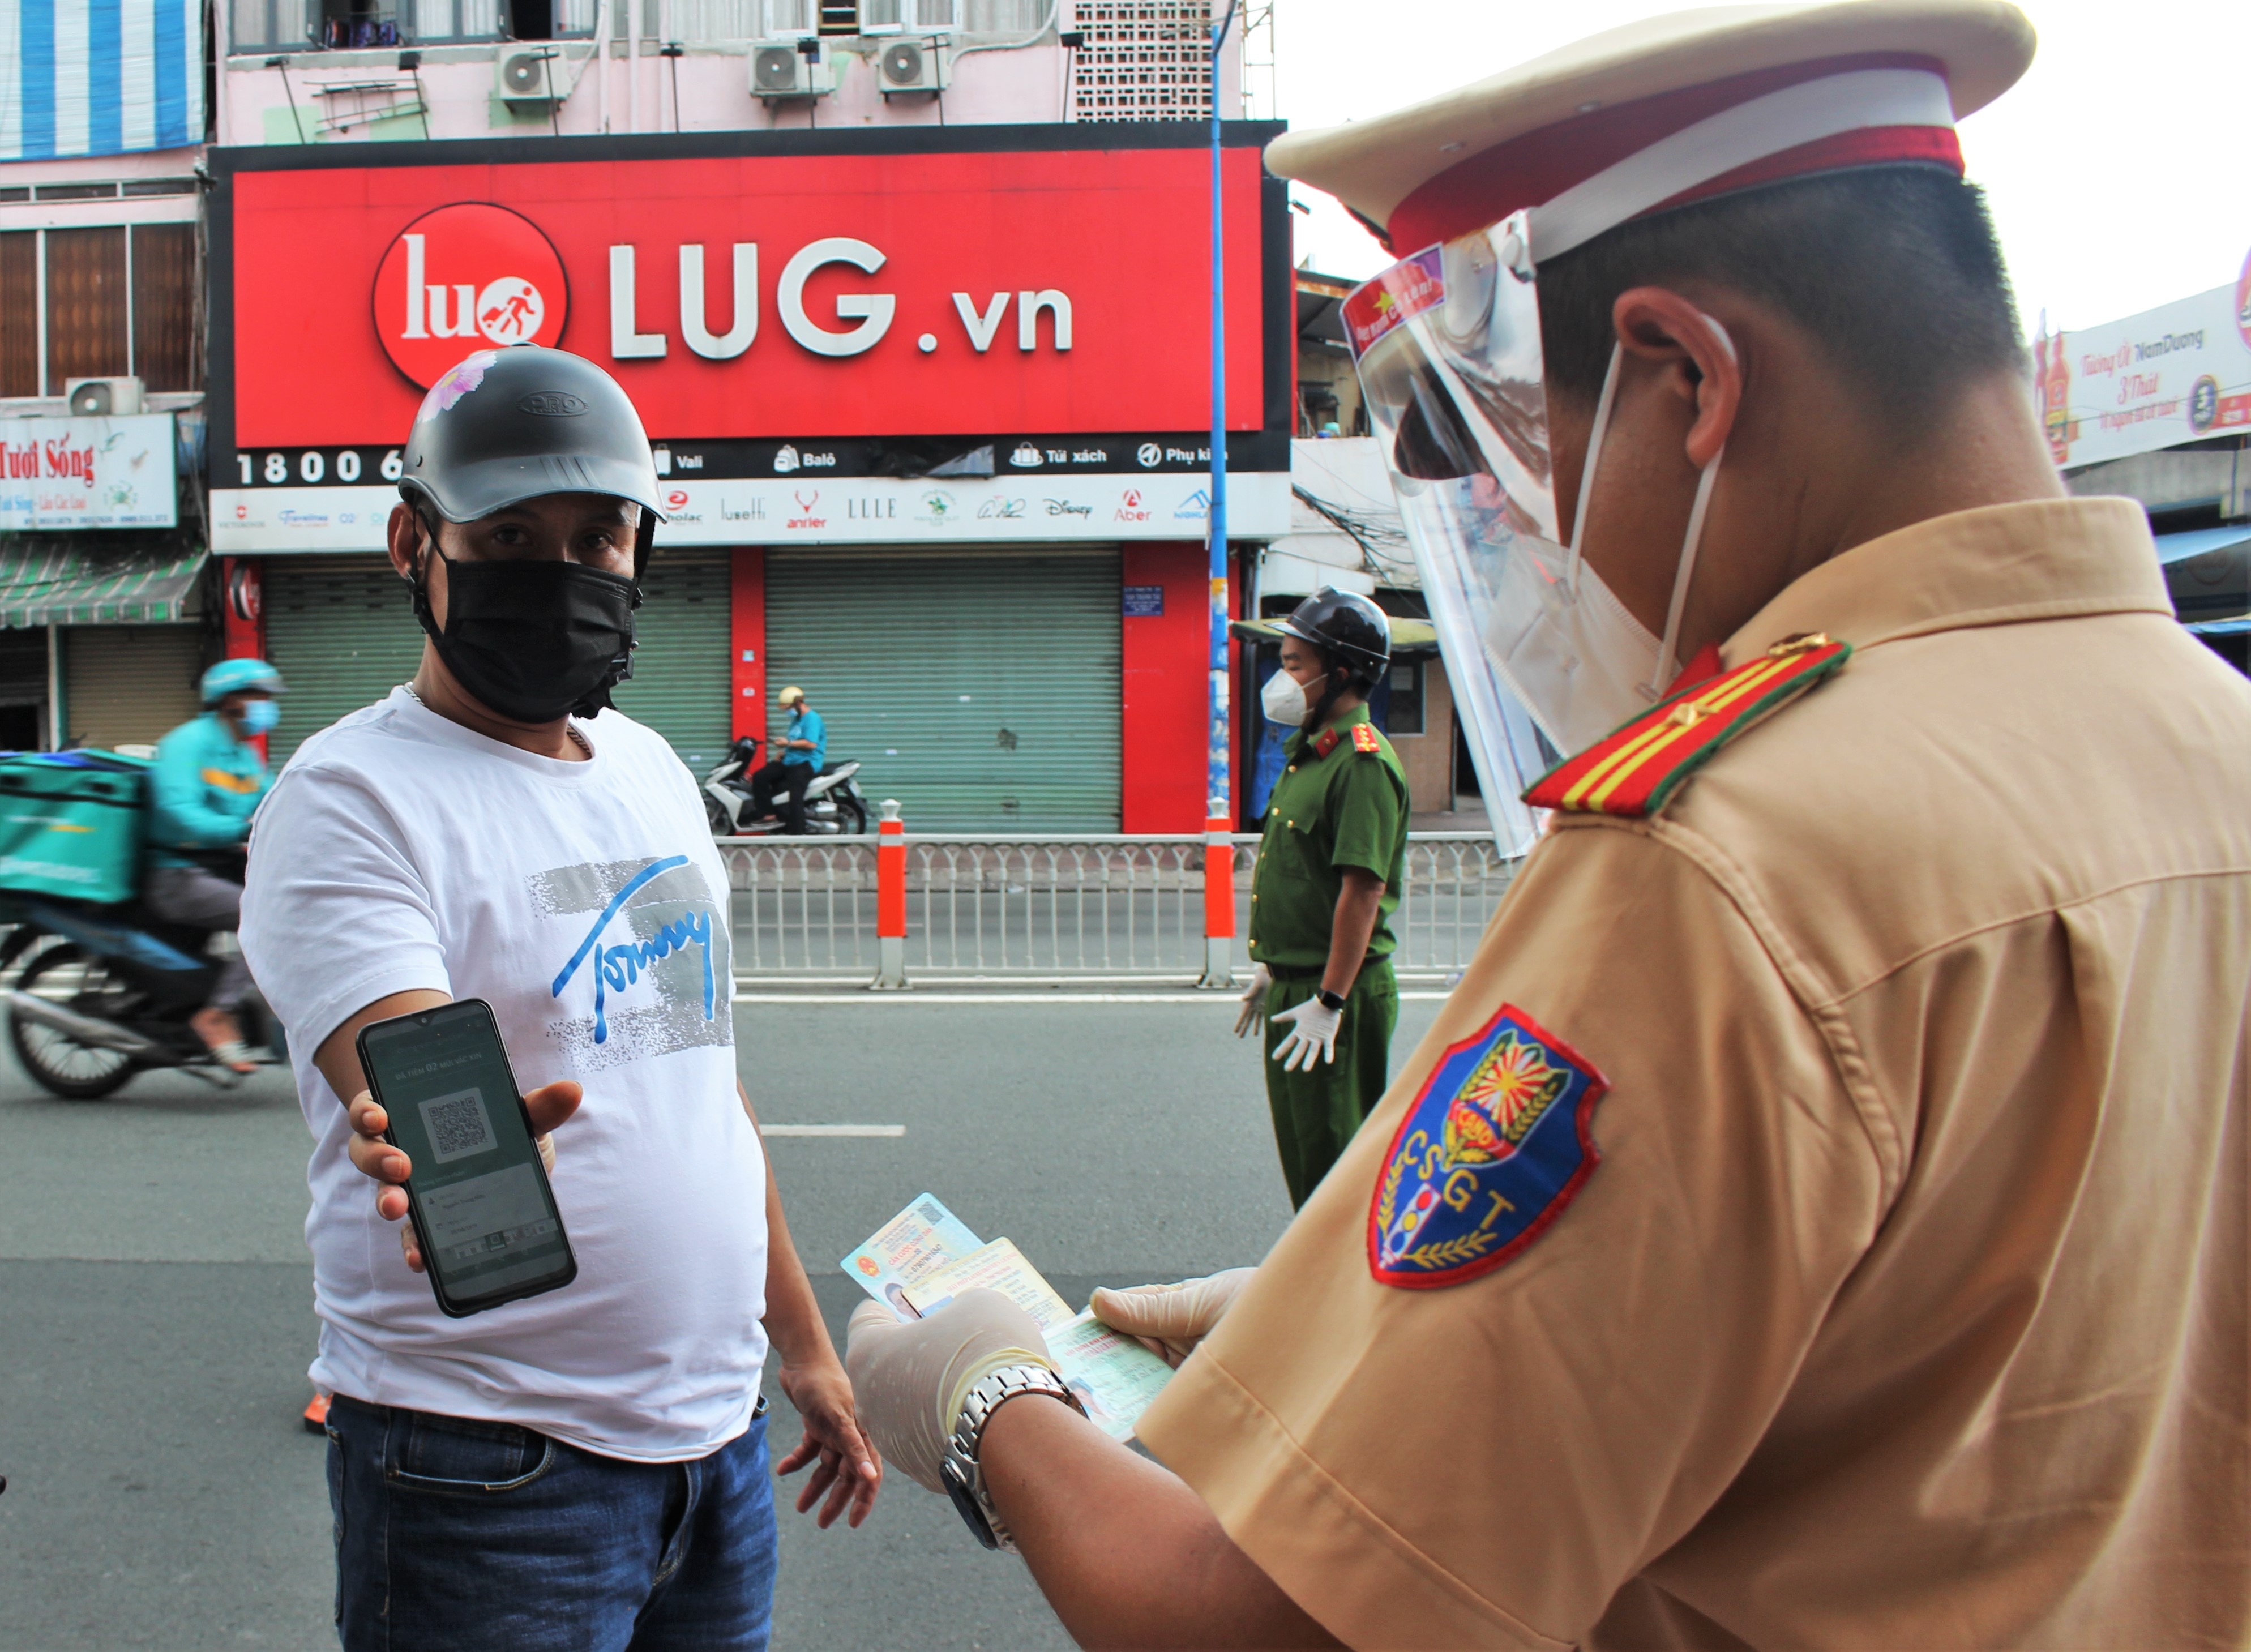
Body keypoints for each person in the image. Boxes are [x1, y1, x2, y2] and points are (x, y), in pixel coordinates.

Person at [837, 4, 2251, 1647]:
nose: (1515, 536)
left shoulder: (1733, 859)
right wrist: (1342, 1321)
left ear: (1686, 375)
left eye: (1518, 456)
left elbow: (1255, 1621)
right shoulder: (2210, 742)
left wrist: (985, 1388)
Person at [240, 344, 880, 1652]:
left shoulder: (651, 773)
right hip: (485, 1465)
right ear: (413, 540)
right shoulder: (349, 797)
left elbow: (702, 1083)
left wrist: (803, 1344)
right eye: (513, 533)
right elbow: (406, 1057)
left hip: (718, 1451)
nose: (565, 570)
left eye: (600, 535)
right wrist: (440, 1133)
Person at [1231, 589, 1409, 1208]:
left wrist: (1329, 1000)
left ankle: (1339, 1303)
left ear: (1341, 673)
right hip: (1296, 986)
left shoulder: (1360, 764)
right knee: (1306, 1166)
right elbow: (1310, 879)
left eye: (1296, 664)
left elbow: (1363, 890)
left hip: (1332, 994)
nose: (1283, 679)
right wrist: (1271, 967)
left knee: (1334, 1183)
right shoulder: (1311, 756)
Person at [145, 657, 282, 1075]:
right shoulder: (188, 744)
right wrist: (237, 831)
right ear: (228, 701)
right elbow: (177, 809)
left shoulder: (243, 754)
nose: (265, 705)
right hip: (177, 874)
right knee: (265, 919)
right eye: (256, 695)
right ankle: (218, 1013)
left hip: (215, 869)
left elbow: (274, 800)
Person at [747, 684, 824, 834]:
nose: (785, 711)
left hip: (805, 763)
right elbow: (796, 740)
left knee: (795, 798)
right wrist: (784, 752)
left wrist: (787, 743)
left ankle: (798, 836)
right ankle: (768, 814)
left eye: (787, 707)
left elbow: (811, 743)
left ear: (797, 704)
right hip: (790, 760)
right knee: (760, 777)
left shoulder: (812, 719)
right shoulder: (797, 719)